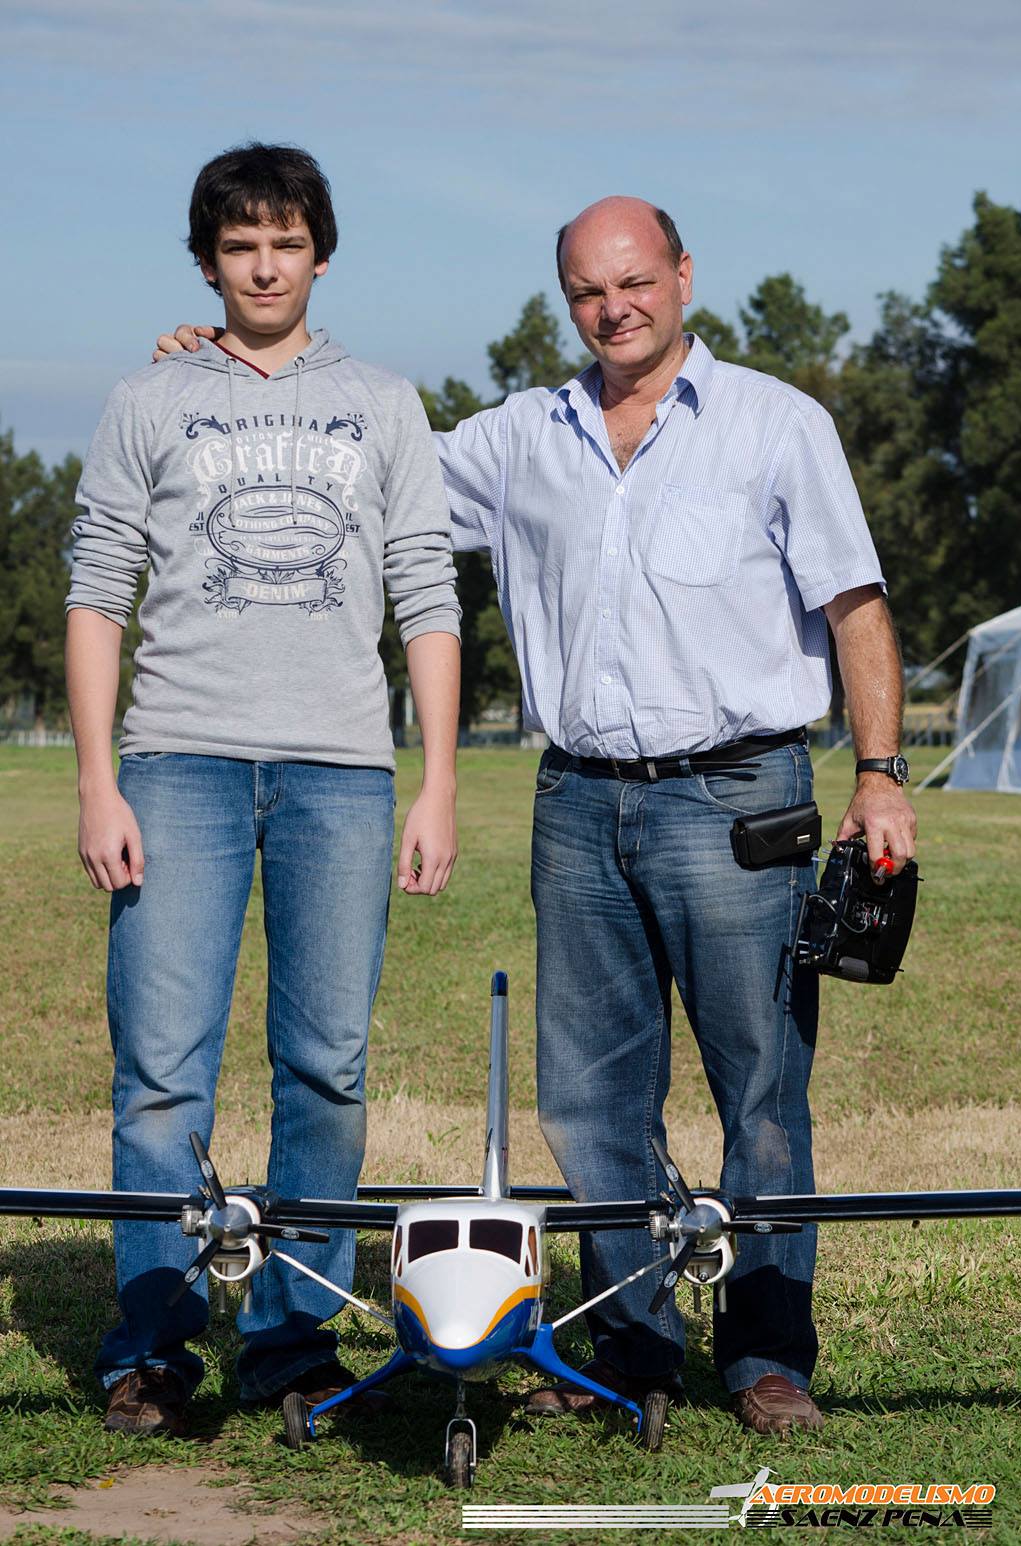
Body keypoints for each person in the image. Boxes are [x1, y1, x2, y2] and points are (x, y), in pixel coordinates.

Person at [153, 195, 916, 1436]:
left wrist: (880, 772)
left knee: (760, 1091)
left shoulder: (778, 425)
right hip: (576, 805)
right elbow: (363, 476)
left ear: (681, 275)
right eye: (585, 291)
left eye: (634, 281)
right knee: (591, 1101)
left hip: (742, 804)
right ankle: (635, 1347)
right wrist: (240, 377)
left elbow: (854, 606)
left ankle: (767, 1352)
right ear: (566, 302)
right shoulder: (517, 438)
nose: (613, 308)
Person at [68, 142, 461, 1438]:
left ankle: (289, 1337)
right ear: (208, 261)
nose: (265, 266)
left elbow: (426, 591)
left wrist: (440, 776)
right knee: (162, 1075)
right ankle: (156, 1344)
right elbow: (94, 590)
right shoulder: (147, 395)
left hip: (342, 773)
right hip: (175, 763)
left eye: (286, 243)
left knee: (328, 1068)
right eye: (241, 247)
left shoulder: (388, 404)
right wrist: (94, 779)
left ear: (321, 253)